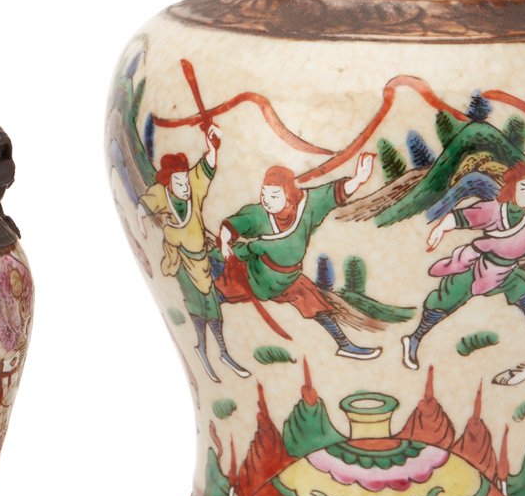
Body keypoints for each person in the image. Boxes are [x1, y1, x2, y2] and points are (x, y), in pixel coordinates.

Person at [402, 141, 525, 369]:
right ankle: (414, 338)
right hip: (479, 268)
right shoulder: (495, 211)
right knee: (447, 298)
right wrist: (441, 228)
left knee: (522, 285)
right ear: (512, 193)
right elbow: (464, 216)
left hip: (506, 269)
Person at [216, 154, 381, 360]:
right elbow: (232, 225)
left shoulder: (308, 206)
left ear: (288, 194)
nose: (267, 201)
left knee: (316, 305)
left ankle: (345, 345)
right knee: (221, 292)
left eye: (274, 196)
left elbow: (332, 194)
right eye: (264, 194)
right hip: (257, 274)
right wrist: (224, 241)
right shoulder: (258, 214)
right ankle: (214, 337)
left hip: (289, 278)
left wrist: (359, 179)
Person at [142, 126, 247, 379]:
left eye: (185, 180)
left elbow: (205, 168)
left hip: (202, 261)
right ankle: (202, 348)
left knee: (212, 305)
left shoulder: (194, 187)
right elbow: (143, 205)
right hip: (181, 262)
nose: (185, 186)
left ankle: (223, 351)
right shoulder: (161, 195)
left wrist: (212, 148)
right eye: (179, 182)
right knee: (196, 307)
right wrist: (140, 223)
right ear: (169, 184)